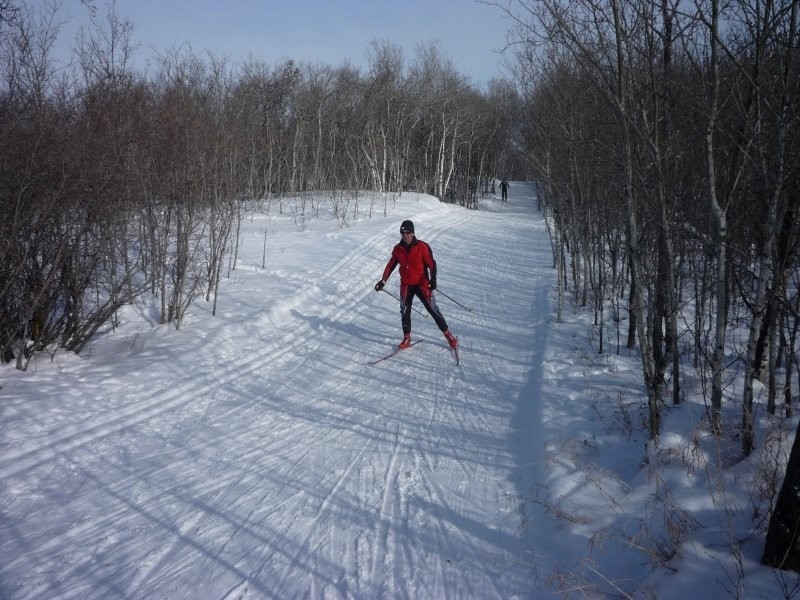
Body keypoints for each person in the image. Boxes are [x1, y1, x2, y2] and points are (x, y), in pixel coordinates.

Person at [375, 220, 457, 350]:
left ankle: (448, 335)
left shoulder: (422, 246)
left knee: (433, 310)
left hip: (422, 284)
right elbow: (391, 265)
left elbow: (432, 264)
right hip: (407, 285)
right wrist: (383, 281)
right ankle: (407, 338)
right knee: (405, 312)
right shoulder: (398, 249)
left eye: (408, 232)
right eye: (403, 233)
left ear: (413, 233)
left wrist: (433, 280)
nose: (405, 235)